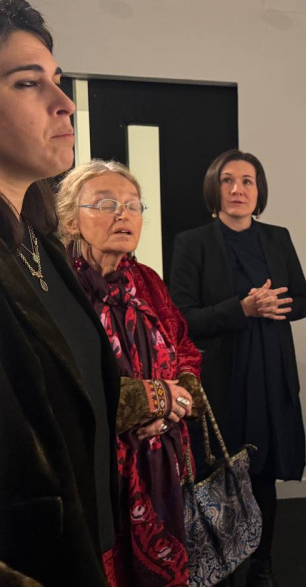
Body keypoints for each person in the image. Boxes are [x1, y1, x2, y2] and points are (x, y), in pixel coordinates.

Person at [0, 0, 120, 585]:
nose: (65, 103)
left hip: (87, 538)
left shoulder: (43, 246)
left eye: (58, 80)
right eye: (28, 83)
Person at [56, 160, 203, 587]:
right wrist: (154, 399)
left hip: (161, 464)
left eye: (133, 205)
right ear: (71, 220)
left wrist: (180, 400)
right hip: (96, 469)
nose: (123, 214)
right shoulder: (58, 287)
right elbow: (64, 385)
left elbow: (185, 350)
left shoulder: (148, 280)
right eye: (106, 204)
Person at [170, 149, 306, 587]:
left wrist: (275, 306)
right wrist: (242, 308)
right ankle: (223, 566)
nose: (238, 189)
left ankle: (263, 565)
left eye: (247, 181)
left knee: (265, 475)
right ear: (214, 189)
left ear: (258, 190)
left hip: (271, 377)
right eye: (228, 180)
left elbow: (303, 300)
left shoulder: (278, 238)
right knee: (221, 476)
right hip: (222, 382)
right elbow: (181, 318)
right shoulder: (192, 242)